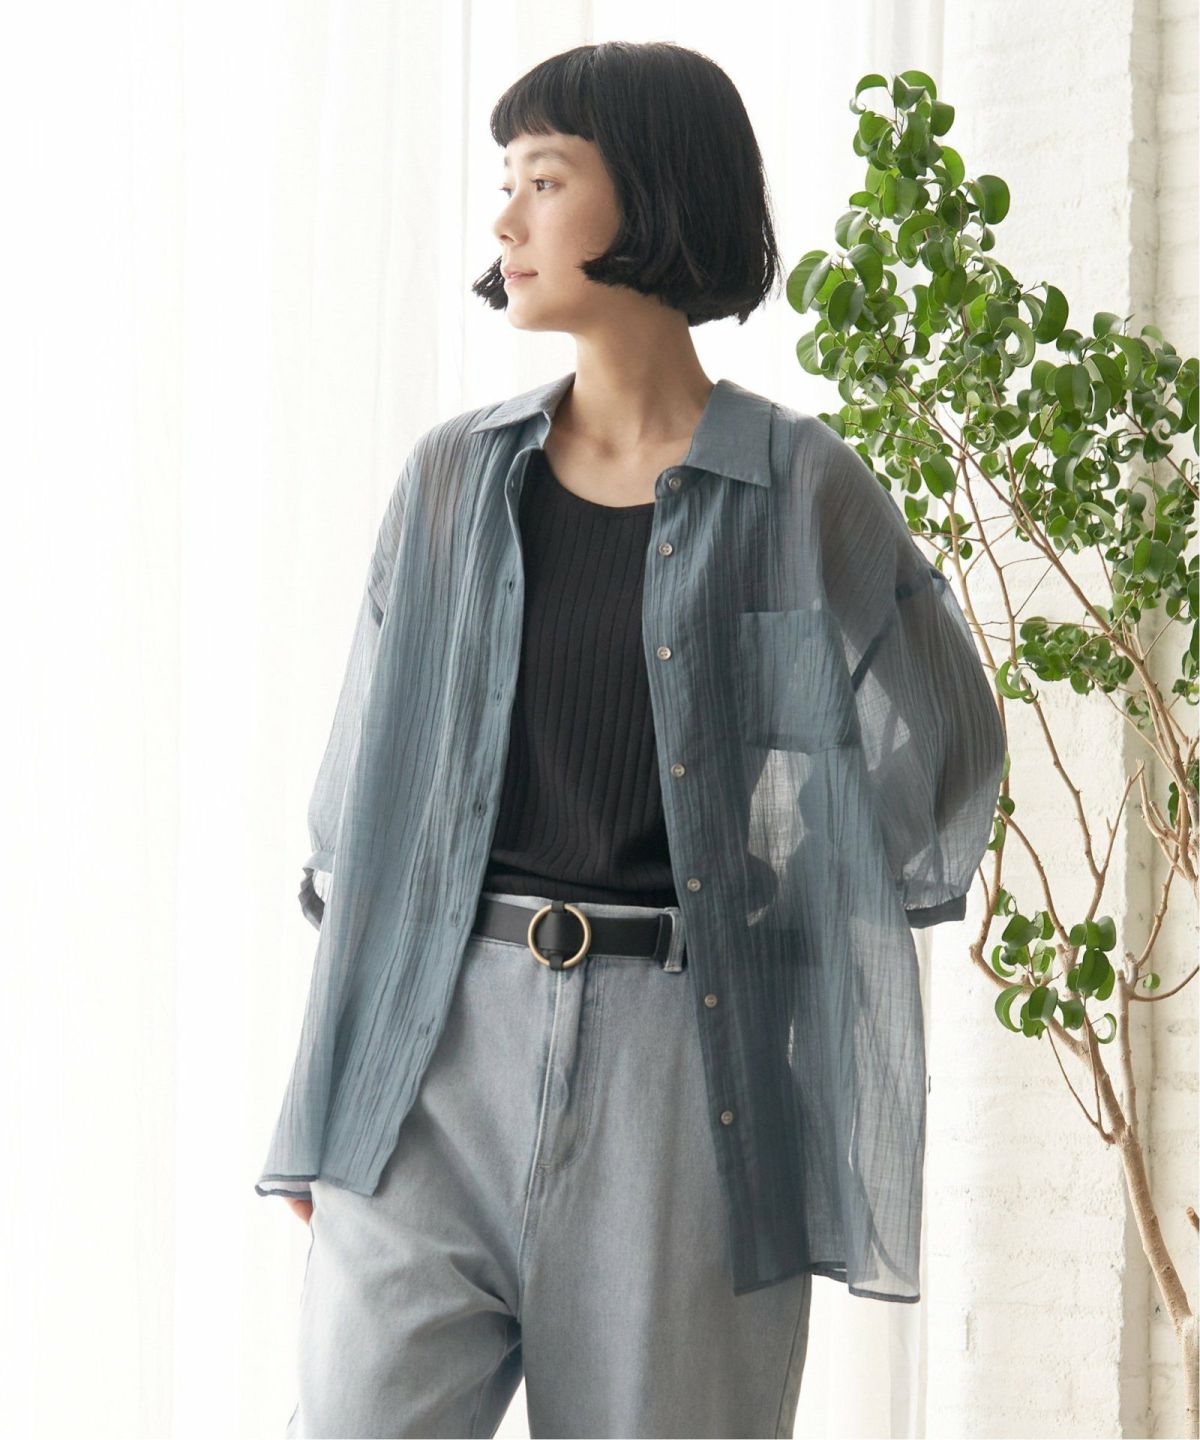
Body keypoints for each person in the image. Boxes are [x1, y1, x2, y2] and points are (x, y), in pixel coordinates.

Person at [257, 40, 1007, 1440]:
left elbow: (948, 747)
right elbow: (363, 825)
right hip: (432, 1061)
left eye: (545, 180)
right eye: (506, 181)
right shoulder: (454, 480)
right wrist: (327, 1103)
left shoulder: (796, 487)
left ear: (653, 194)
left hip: (680, 1075)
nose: (506, 219)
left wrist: (781, 881)